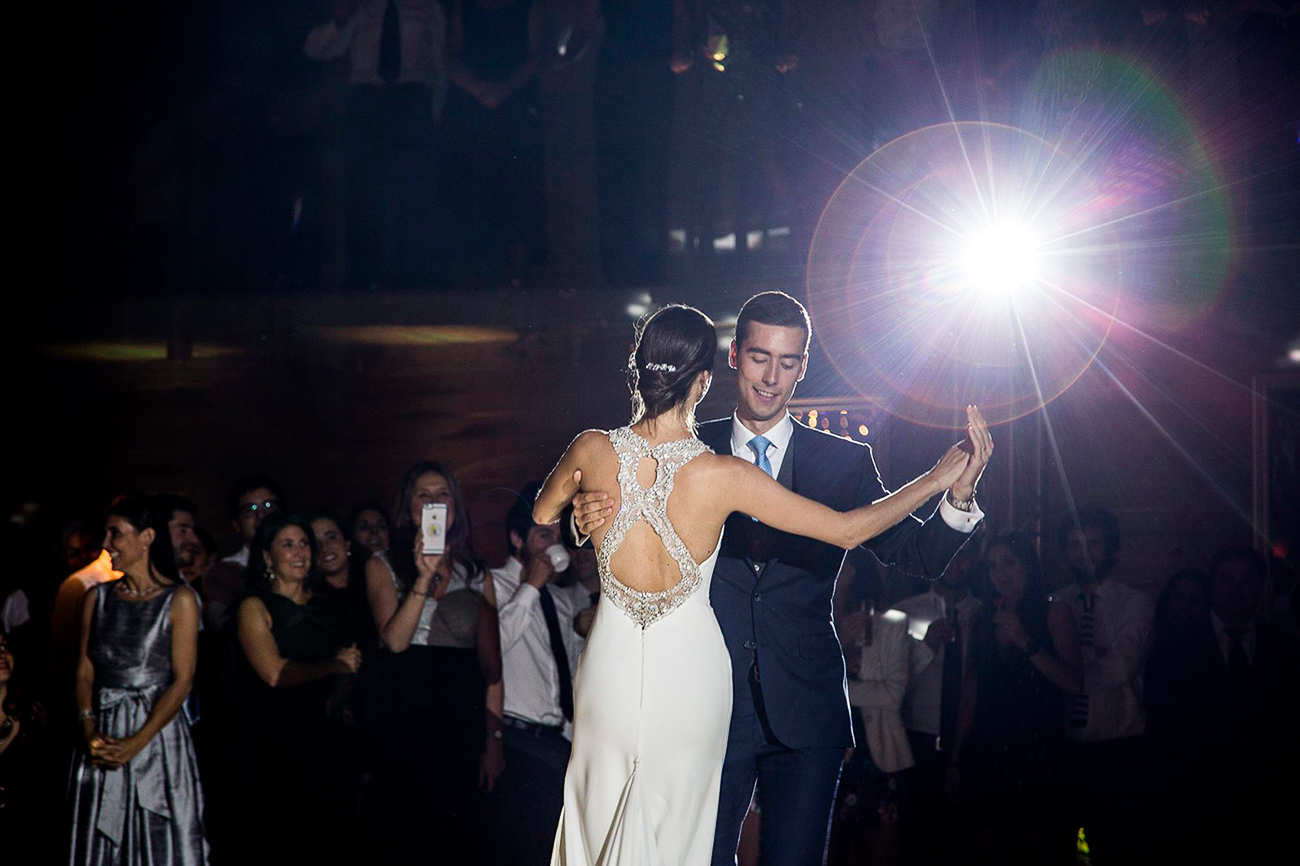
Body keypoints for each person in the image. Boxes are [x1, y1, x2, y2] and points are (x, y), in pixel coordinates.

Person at [534, 303, 986, 865]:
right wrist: (582, 522)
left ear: (803, 367)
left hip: (805, 705)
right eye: (759, 357)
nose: (772, 376)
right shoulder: (696, 449)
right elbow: (604, 514)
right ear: (729, 360)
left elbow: (917, 555)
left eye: (788, 362)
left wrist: (957, 495)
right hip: (699, 704)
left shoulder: (843, 461)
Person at [362, 462, 504, 862]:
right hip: (404, 709)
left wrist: (494, 740)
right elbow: (394, 641)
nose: (433, 502)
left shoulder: (476, 573)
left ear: (454, 507)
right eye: (422, 495)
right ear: (408, 509)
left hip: (459, 710)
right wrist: (423, 577)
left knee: (458, 833)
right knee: (406, 831)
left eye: (442, 494)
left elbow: (492, 668)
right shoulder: (382, 564)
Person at [68, 495, 207, 865]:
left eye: (116, 533)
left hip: (157, 735)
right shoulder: (97, 598)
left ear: (147, 537)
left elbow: (183, 680)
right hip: (103, 733)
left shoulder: (179, 599)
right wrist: (88, 726)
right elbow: (84, 670)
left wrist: (138, 741)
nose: (107, 544)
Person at [946, 531, 1082, 866]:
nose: (1000, 573)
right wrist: (955, 759)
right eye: (993, 566)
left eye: (1009, 562)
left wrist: (1026, 642)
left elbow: (1075, 684)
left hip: (1037, 749)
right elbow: (971, 691)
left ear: (1027, 565)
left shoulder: (1055, 612)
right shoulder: (981, 617)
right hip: (988, 748)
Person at [235, 512, 362, 864]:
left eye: (304, 543)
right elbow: (274, 673)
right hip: (279, 743)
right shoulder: (254, 606)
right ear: (267, 556)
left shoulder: (328, 605)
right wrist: (335, 665)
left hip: (329, 741)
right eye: (288, 544)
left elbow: (352, 662)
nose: (300, 552)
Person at [490, 484, 593, 865]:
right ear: (518, 538)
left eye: (558, 537)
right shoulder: (494, 584)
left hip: (556, 739)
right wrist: (530, 587)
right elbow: (493, 649)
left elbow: (567, 669)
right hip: (516, 739)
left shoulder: (563, 600)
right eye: (543, 536)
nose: (555, 546)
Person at [1053, 506, 1154, 864]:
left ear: (1112, 549)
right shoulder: (1056, 603)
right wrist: (1095, 653)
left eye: (1093, 544)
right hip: (1063, 746)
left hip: (1119, 749)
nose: (1083, 553)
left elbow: (1121, 670)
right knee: (1063, 848)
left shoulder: (1135, 603)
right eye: (1074, 545)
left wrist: (1069, 663)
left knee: (1116, 847)